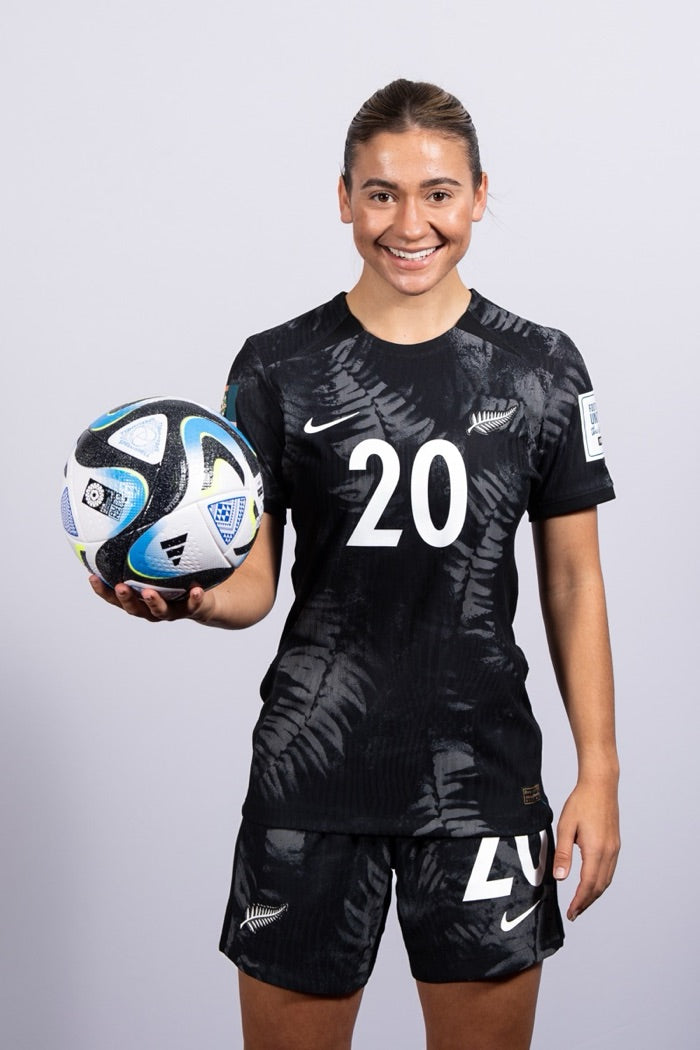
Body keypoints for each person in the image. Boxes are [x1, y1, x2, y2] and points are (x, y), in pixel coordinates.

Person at [90, 79, 620, 1050]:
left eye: (437, 193)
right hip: (311, 780)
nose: (408, 222)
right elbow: (253, 582)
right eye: (380, 194)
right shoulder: (275, 367)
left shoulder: (542, 367)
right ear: (343, 199)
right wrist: (187, 601)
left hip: (480, 781)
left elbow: (574, 582)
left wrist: (601, 772)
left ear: (479, 195)